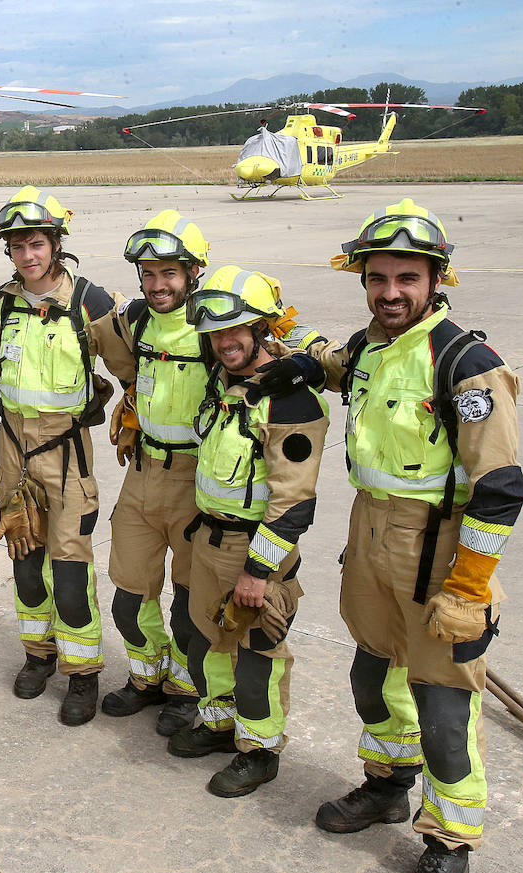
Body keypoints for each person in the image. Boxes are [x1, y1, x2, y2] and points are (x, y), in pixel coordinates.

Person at [289, 200, 523, 873]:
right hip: (371, 535)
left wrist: (471, 582)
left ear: (436, 280)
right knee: (373, 677)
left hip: (439, 551)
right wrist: (288, 339)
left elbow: (501, 487)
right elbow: (332, 364)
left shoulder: (466, 362)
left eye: (407, 279)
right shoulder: (368, 345)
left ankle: (450, 839)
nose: (391, 292)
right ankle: (389, 786)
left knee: (445, 707)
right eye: (378, 278)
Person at [167, 267, 328, 798]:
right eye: (215, 333)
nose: (225, 342)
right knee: (211, 641)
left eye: (237, 330)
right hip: (208, 539)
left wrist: (259, 573)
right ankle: (218, 726)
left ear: (262, 328)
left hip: (255, 548)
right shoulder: (221, 383)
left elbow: (293, 502)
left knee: (258, 653)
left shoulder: (292, 401)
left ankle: (259, 752)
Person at [0, 185, 130, 725]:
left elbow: (127, 367)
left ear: (56, 244)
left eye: (37, 244)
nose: (28, 255)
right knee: (24, 560)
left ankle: (82, 674)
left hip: (66, 455)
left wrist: (124, 410)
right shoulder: (4, 300)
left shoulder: (91, 301)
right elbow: (2, 366)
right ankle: (37, 655)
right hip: (13, 452)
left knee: (69, 571)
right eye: (18, 246)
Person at [98, 210, 211, 738]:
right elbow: (91, 337)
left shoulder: (217, 323)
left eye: (169, 272)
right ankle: (147, 676)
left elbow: (276, 345)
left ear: (193, 273)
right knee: (128, 594)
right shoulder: (134, 320)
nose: (158, 284)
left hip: (198, 479)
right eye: (148, 273)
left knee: (191, 603)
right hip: (142, 471)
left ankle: (187, 689)